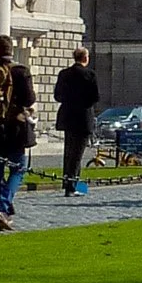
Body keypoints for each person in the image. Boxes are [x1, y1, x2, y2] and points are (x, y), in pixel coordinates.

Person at [0, 35, 36, 229]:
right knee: (18, 169)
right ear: (11, 51)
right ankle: (2, 208)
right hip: (16, 128)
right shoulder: (21, 71)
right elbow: (29, 99)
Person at [54, 47, 100, 193]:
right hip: (83, 117)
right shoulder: (89, 74)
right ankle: (71, 186)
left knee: (69, 152)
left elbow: (58, 96)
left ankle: (69, 183)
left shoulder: (64, 74)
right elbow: (95, 97)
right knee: (77, 154)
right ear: (85, 58)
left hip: (68, 116)